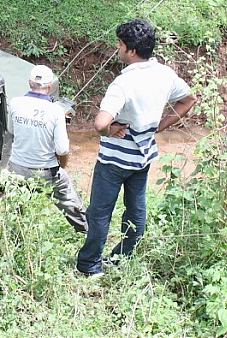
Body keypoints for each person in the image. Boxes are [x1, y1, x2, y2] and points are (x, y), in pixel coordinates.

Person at [76, 19, 197, 277]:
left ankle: (89, 265)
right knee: (136, 208)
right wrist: (161, 126)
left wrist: (110, 130)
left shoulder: (122, 84)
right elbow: (188, 100)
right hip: (143, 156)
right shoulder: (165, 74)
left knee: (100, 212)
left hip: (114, 160)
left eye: (119, 44)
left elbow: (100, 123)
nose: (117, 49)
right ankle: (123, 257)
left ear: (131, 50)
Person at [8, 65, 88, 233]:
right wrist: (62, 167)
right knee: (69, 200)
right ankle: (85, 231)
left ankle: (17, 237)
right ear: (50, 86)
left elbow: (11, 131)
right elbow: (63, 150)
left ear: (30, 83)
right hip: (45, 170)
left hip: (16, 168)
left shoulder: (14, 103)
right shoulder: (56, 111)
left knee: (18, 205)